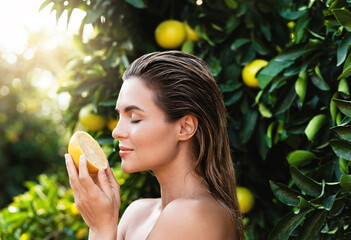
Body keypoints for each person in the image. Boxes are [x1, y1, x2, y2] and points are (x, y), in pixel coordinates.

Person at [65, 51, 245, 239]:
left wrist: (101, 227)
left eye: (134, 118)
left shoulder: (192, 215)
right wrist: (98, 225)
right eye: (119, 116)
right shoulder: (137, 213)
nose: (116, 131)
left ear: (185, 127)